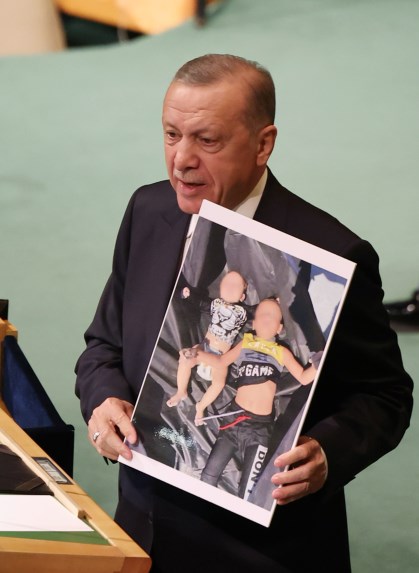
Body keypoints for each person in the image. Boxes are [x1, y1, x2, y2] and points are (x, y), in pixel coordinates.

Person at [75, 54, 413, 573]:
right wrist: (103, 401)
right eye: (171, 135)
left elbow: (385, 396)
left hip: (263, 552)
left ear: (262, 144)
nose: (181, 160)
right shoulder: (148, 210)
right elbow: (104, 344)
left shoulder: (332, 254)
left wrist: (327, 453)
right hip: (144, 531)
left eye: (206, 140)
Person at [187, 298, 318, 498]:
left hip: (259, 429)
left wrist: (318, 363)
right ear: (254, 324)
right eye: (262, 314)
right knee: (208, 476)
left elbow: (303, 377)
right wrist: (196, 355)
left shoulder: (281, 352)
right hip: (233, 421)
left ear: (279, 328)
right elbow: (221, 361)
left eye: (272, 316)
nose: (266, 318)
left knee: (249, 492)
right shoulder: (246, 343)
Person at [166, 270, 248, 415]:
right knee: (185, 359)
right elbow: (202, 304)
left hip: (220, 357)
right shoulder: (216, 304)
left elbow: (258, 311)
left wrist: (272, 301)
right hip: (204, 347)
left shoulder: (243, 312)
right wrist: (189, 295)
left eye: (235, 286)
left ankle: (201, 407)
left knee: (219, 383)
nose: (230, 288)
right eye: (227, 284)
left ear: (242, 296)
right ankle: (181, 391)